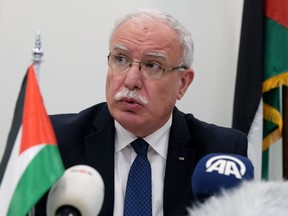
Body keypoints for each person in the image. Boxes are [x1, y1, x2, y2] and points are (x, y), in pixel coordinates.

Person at [36, 8, 248, 216]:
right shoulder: (52, 140)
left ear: (183, 83)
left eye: (152, 65)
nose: (131, 81)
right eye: (120, 59)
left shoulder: (221, 152)